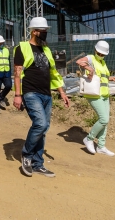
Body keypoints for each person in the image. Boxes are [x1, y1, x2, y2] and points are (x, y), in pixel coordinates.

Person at [13, 17, 70, 178]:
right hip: (31, 93)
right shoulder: (22, 47)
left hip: (47, 94)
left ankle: (38, 164)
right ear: (34, 31)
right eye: (42, 31)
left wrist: (62, 92)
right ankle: (27, 155)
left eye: (46, 31)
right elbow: (17, 74)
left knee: (44, 129)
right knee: (40, 123)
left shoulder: (46, 50)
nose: (45, 33)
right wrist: (18, 95)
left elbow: (53, 73)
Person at [76, 40, 115, 157]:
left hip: (104, 94)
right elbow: (79, 61)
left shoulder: (103, 63)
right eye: (99, 53)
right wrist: (89, 69)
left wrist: (111, 78)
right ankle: (89, 139)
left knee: (105, 122)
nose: (100, 55)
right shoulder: (91, 58)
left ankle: (101, 146)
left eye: (102, 54)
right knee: (104, 119)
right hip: (94, 94)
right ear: (95, 50)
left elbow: (101, 77)